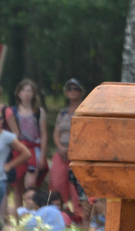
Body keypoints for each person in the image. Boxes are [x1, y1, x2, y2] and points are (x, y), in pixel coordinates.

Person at [9, 79, 49, 217]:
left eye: (29, 90)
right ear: (18, 93)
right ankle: (19, 217)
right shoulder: (12, 111)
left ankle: (33, 215)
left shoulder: (39, 112)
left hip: (34, 149)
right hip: (19, 149)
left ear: (33, 94)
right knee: (18, 186)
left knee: (30, 185)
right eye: (24, 90)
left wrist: (43, 155)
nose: (26, 93)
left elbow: (43, 134)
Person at [50, 78, 86, 220]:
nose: (72, 91)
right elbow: (56, 132)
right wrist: (59, 147)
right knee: (57, 184)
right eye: (69, 89)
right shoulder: (63, 112)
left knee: (76, 188)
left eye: (76, 88)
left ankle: (80, 217)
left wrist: (74, 150)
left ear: (81, 92)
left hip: (78, 155)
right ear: (66, 92)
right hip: (61, 153)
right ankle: (59, 215)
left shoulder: (85, 109)